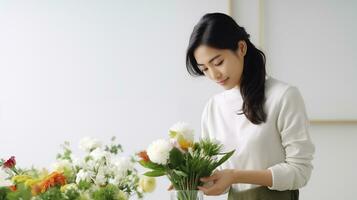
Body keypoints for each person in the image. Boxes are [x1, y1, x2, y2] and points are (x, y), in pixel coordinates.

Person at [185, 13, 315, 200]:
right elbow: (218, 182)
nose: (214, 75)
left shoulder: (283, 96)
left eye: (218, 62)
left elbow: (300, 171)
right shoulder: (213, 108)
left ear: (241, 48)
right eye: (205, 69)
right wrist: (189, 179)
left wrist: (236, 176)